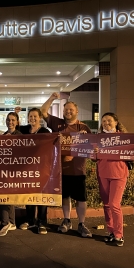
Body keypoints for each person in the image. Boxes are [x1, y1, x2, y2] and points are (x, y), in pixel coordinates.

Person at [41, 92, 92, 238]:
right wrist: (51, 98)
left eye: (71, 110)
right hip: (61, 170)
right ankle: (67, 220)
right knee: (65, 197)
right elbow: (43, 112)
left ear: (77, 112)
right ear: (63, 111)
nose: (68, 112)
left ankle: (82, 224)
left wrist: (85, 139)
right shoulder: (58, 124)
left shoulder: (83, 127)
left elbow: (92, 148)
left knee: (81, 199)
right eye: (66, 110)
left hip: (78, 170)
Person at [95, 112, 129, 247]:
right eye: (104, 121)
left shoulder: (124, 138)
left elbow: (131, 153)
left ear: (116, 122)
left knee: (114, 204)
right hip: (103, 173)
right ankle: (110, 230)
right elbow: (93, 157)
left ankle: (119, 235)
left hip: (119, 174)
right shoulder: (98, 138)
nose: (106, 123)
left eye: (109, 121)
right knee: (107, 204)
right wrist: (94, 152)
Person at [19, 108, 50, 234]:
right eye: (30, 116)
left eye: (35, 117)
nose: (32, 119)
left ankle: (42, 221)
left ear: (40, 118)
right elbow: (12, 132)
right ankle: (30, 220)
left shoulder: (45, 131)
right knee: (29, 192)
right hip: (28, 168)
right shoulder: (24, 130)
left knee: (42, 194)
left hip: (42, 168)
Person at [0, 112, 21, 237]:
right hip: (4, 171)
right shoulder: (4, 135)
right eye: (8, 120)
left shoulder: (20, 136)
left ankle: (4, 224)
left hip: (14, 172)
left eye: (12, 120)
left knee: (5, 198)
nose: (10, 122)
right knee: (8, 197)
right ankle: (11, 222)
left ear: (17, 122)